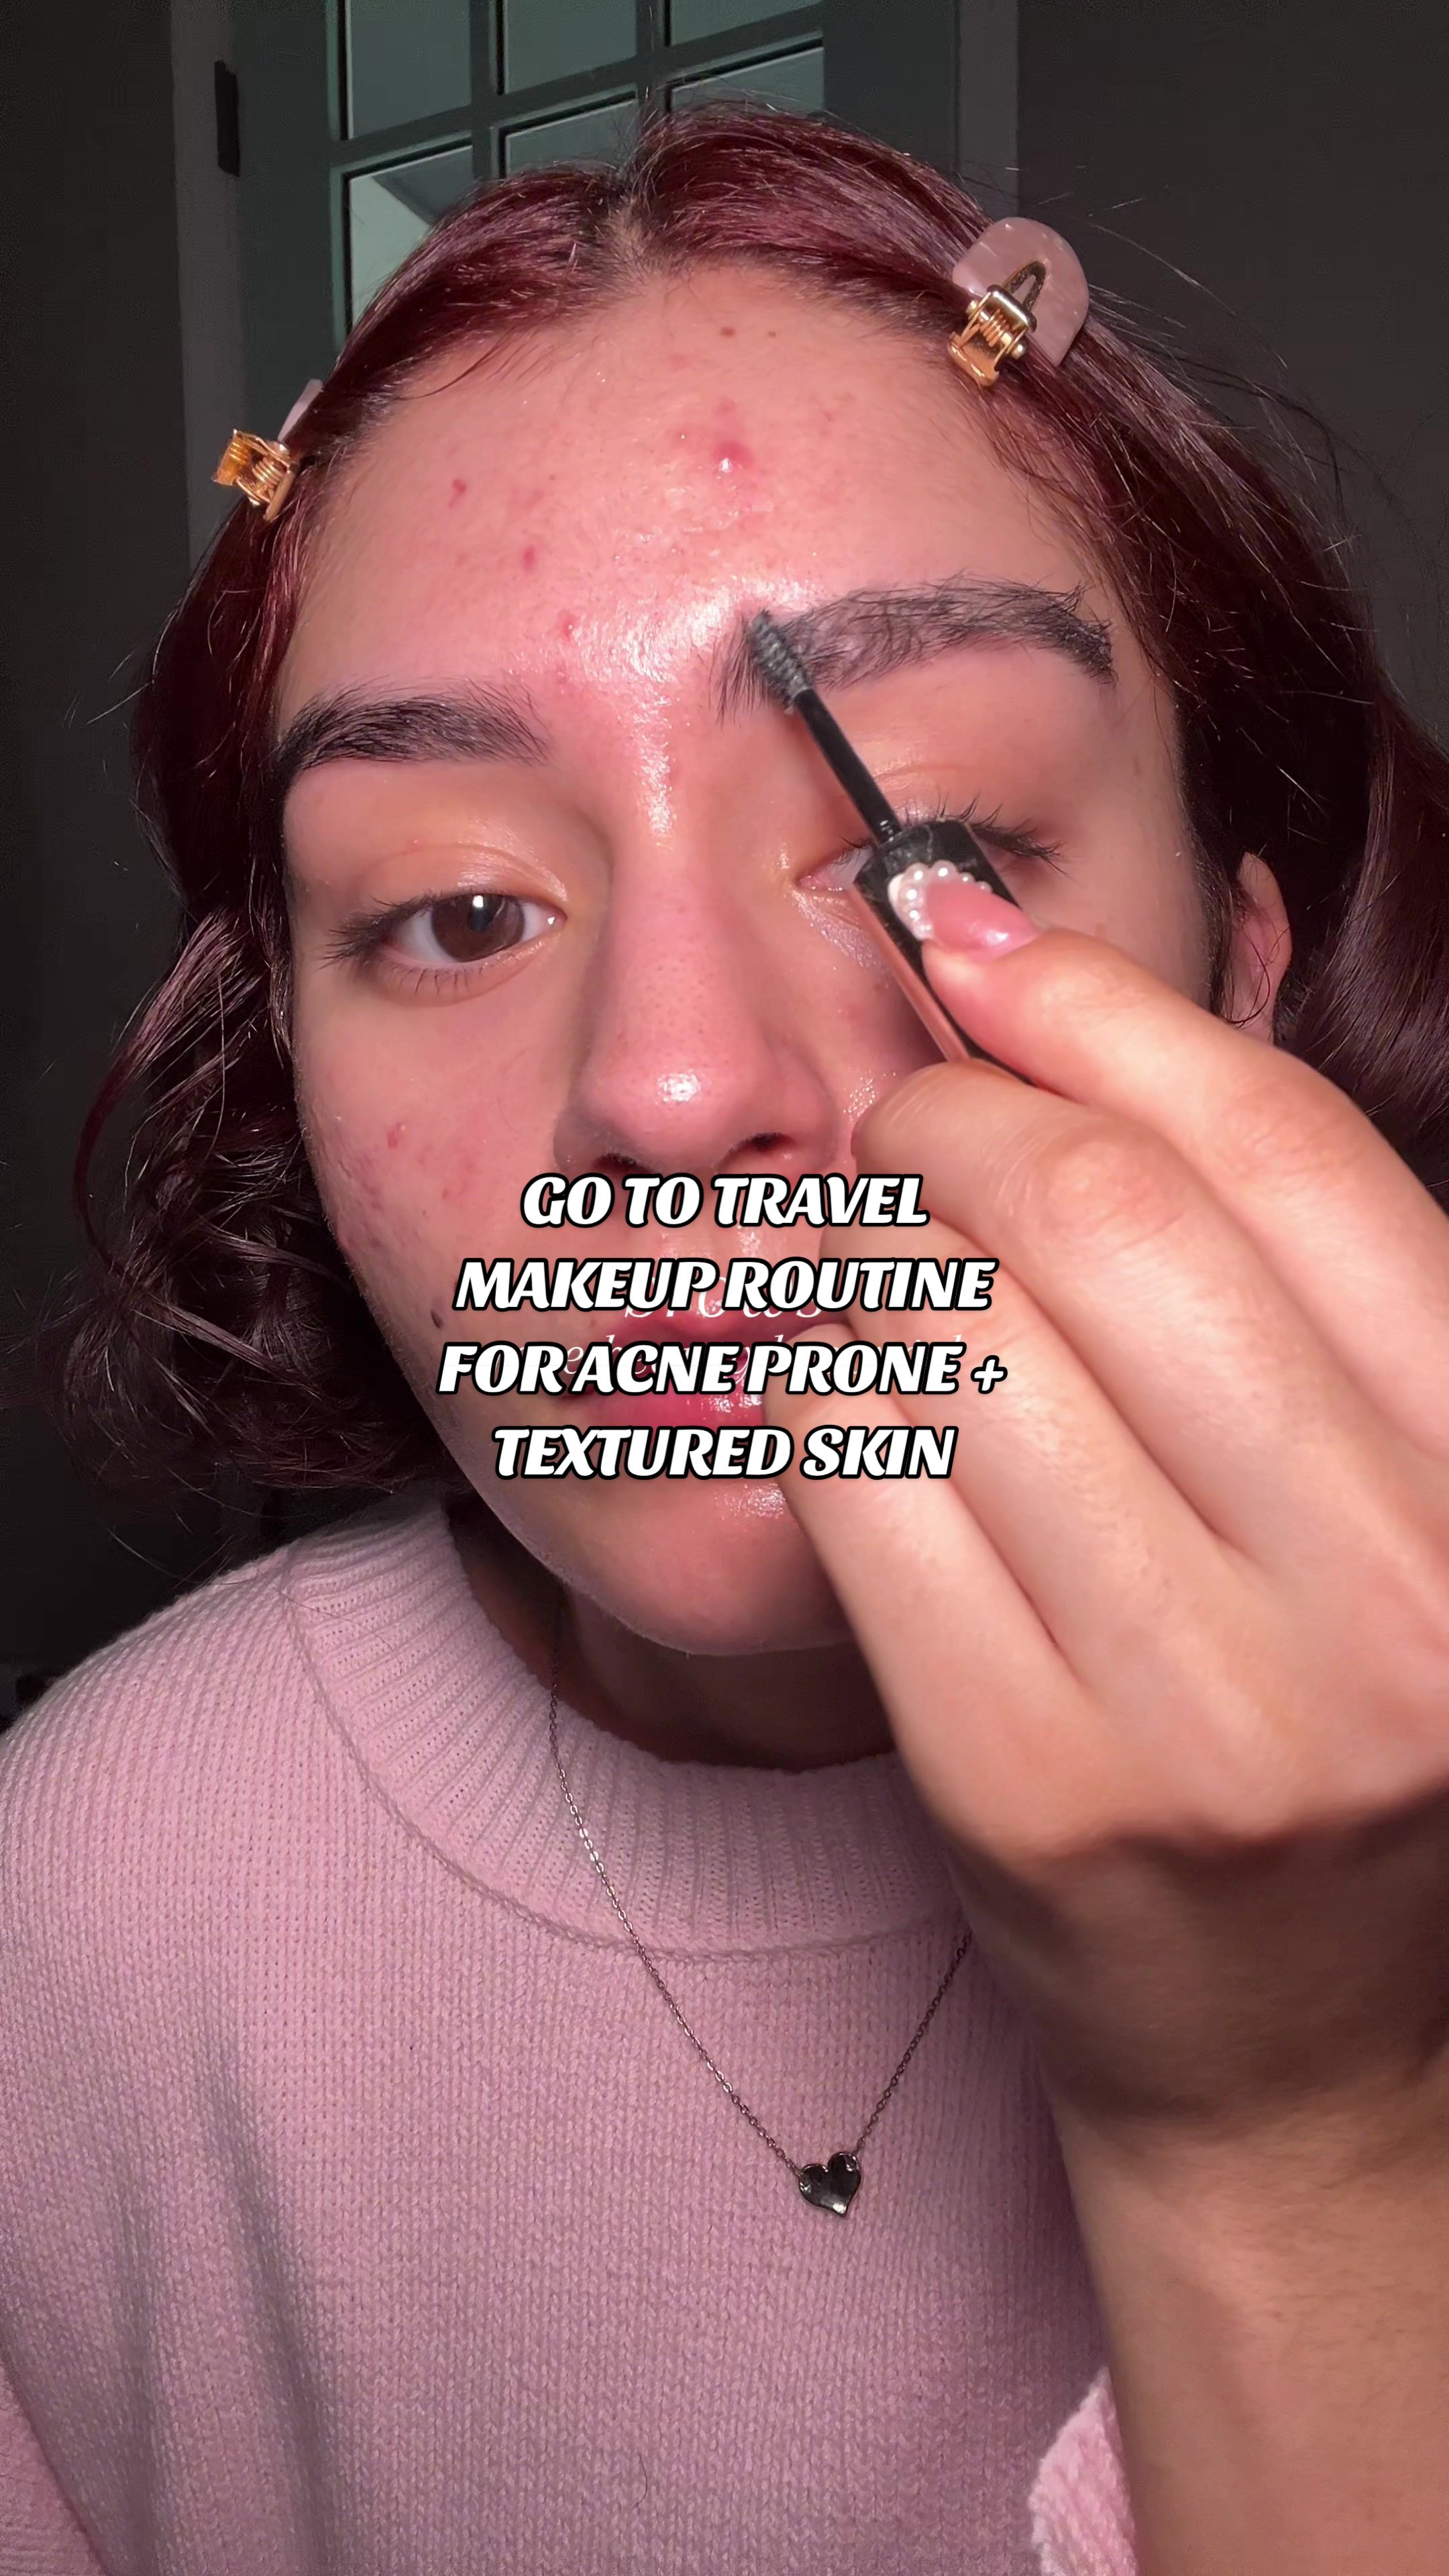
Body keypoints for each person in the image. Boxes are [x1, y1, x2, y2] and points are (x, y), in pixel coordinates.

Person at [4, 103, 1449, 2575]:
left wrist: (1301, 2146)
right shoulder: (81, 1909)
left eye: (923, 847)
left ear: (1233, 970)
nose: (671, 1096)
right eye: (458, 912)